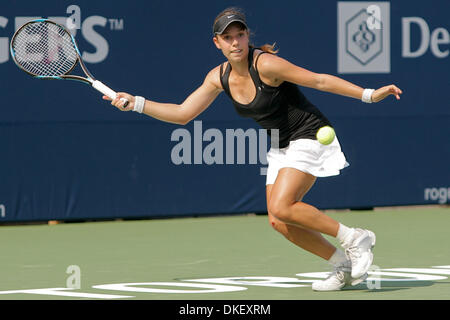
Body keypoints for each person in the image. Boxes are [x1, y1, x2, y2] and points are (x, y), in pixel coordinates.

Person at [104, 7, 402, 291]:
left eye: (240, 35)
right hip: (280, 144)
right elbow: (183, 114)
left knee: (283, 206)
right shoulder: (218, 77)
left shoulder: (267, 65)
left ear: (248, 36)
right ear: (217, 42)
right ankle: (343, 265)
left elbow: (319, 80)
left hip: (309, 133)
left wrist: (369, 95)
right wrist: (137, 104)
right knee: (278, 220)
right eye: (228, 37)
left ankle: (355, 237)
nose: (235, 42)